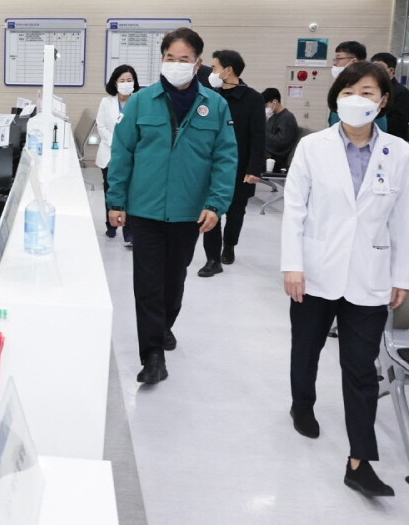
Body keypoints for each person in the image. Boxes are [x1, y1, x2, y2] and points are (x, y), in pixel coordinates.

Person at [282, 61, 409, 498]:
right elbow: (294, 210)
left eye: (368, 92)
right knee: (306, 348)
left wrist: (403, 275)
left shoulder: (397, 151)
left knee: (360, 369)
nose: (358, 99)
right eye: (349, 91)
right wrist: (292, 265)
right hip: (315, 269)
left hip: (369, 274)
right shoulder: (312, 147)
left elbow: (403, 217)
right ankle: (302, 404)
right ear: (337, 97)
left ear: (383, 101)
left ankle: (360, 462)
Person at [107, 27, 238, 385]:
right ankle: (152, 355)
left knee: (174, 277)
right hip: (145, 208)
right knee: (147, 282)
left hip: (188, 210)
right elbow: (123, 152)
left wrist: (216, 204)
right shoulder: (141, 101)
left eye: (184, 58)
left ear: (197, 64)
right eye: (170, 57)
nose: (176, 63)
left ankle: (164, 325)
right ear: (161, 59)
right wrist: (116, 200)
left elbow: (225, 158)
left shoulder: (215, 106)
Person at [198, 50, 266, 276]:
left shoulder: (253, 98)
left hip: (240, 166)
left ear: (228, 70)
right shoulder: (210, 96)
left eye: (215, 67)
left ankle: (229, 245)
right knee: (211, 210)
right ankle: (212, 259)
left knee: (236, 212)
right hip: (212, 165)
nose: (211, 72)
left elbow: (258, 136)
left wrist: (254, 168)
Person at [95, 64, 141, 246]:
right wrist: (116, 143)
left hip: (132, 155)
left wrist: (127, 145)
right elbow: (101, 126)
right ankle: (111, 225)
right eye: (122, 80)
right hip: (109, 153)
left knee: (129, 193)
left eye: (129, 80)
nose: (126, 83)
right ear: (115, 82)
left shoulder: (139, 101)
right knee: (110, 190)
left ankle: (129, 232)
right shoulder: (106, 102)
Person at [371, 51, 409, 140]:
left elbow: (399, 123)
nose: (375, 72)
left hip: (392, 139)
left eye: (379, 68)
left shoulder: (402, 92)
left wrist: (370, 123)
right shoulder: (371, 89)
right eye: (372, 68)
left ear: (391, 71)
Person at [262, 87, 299, 172]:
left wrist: (262, 133)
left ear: (274, 102)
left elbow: (281, 142)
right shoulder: (273, 117)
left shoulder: (287, 118)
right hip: (268, 155)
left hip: (276, 160)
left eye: (266, 105)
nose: (265, 108)